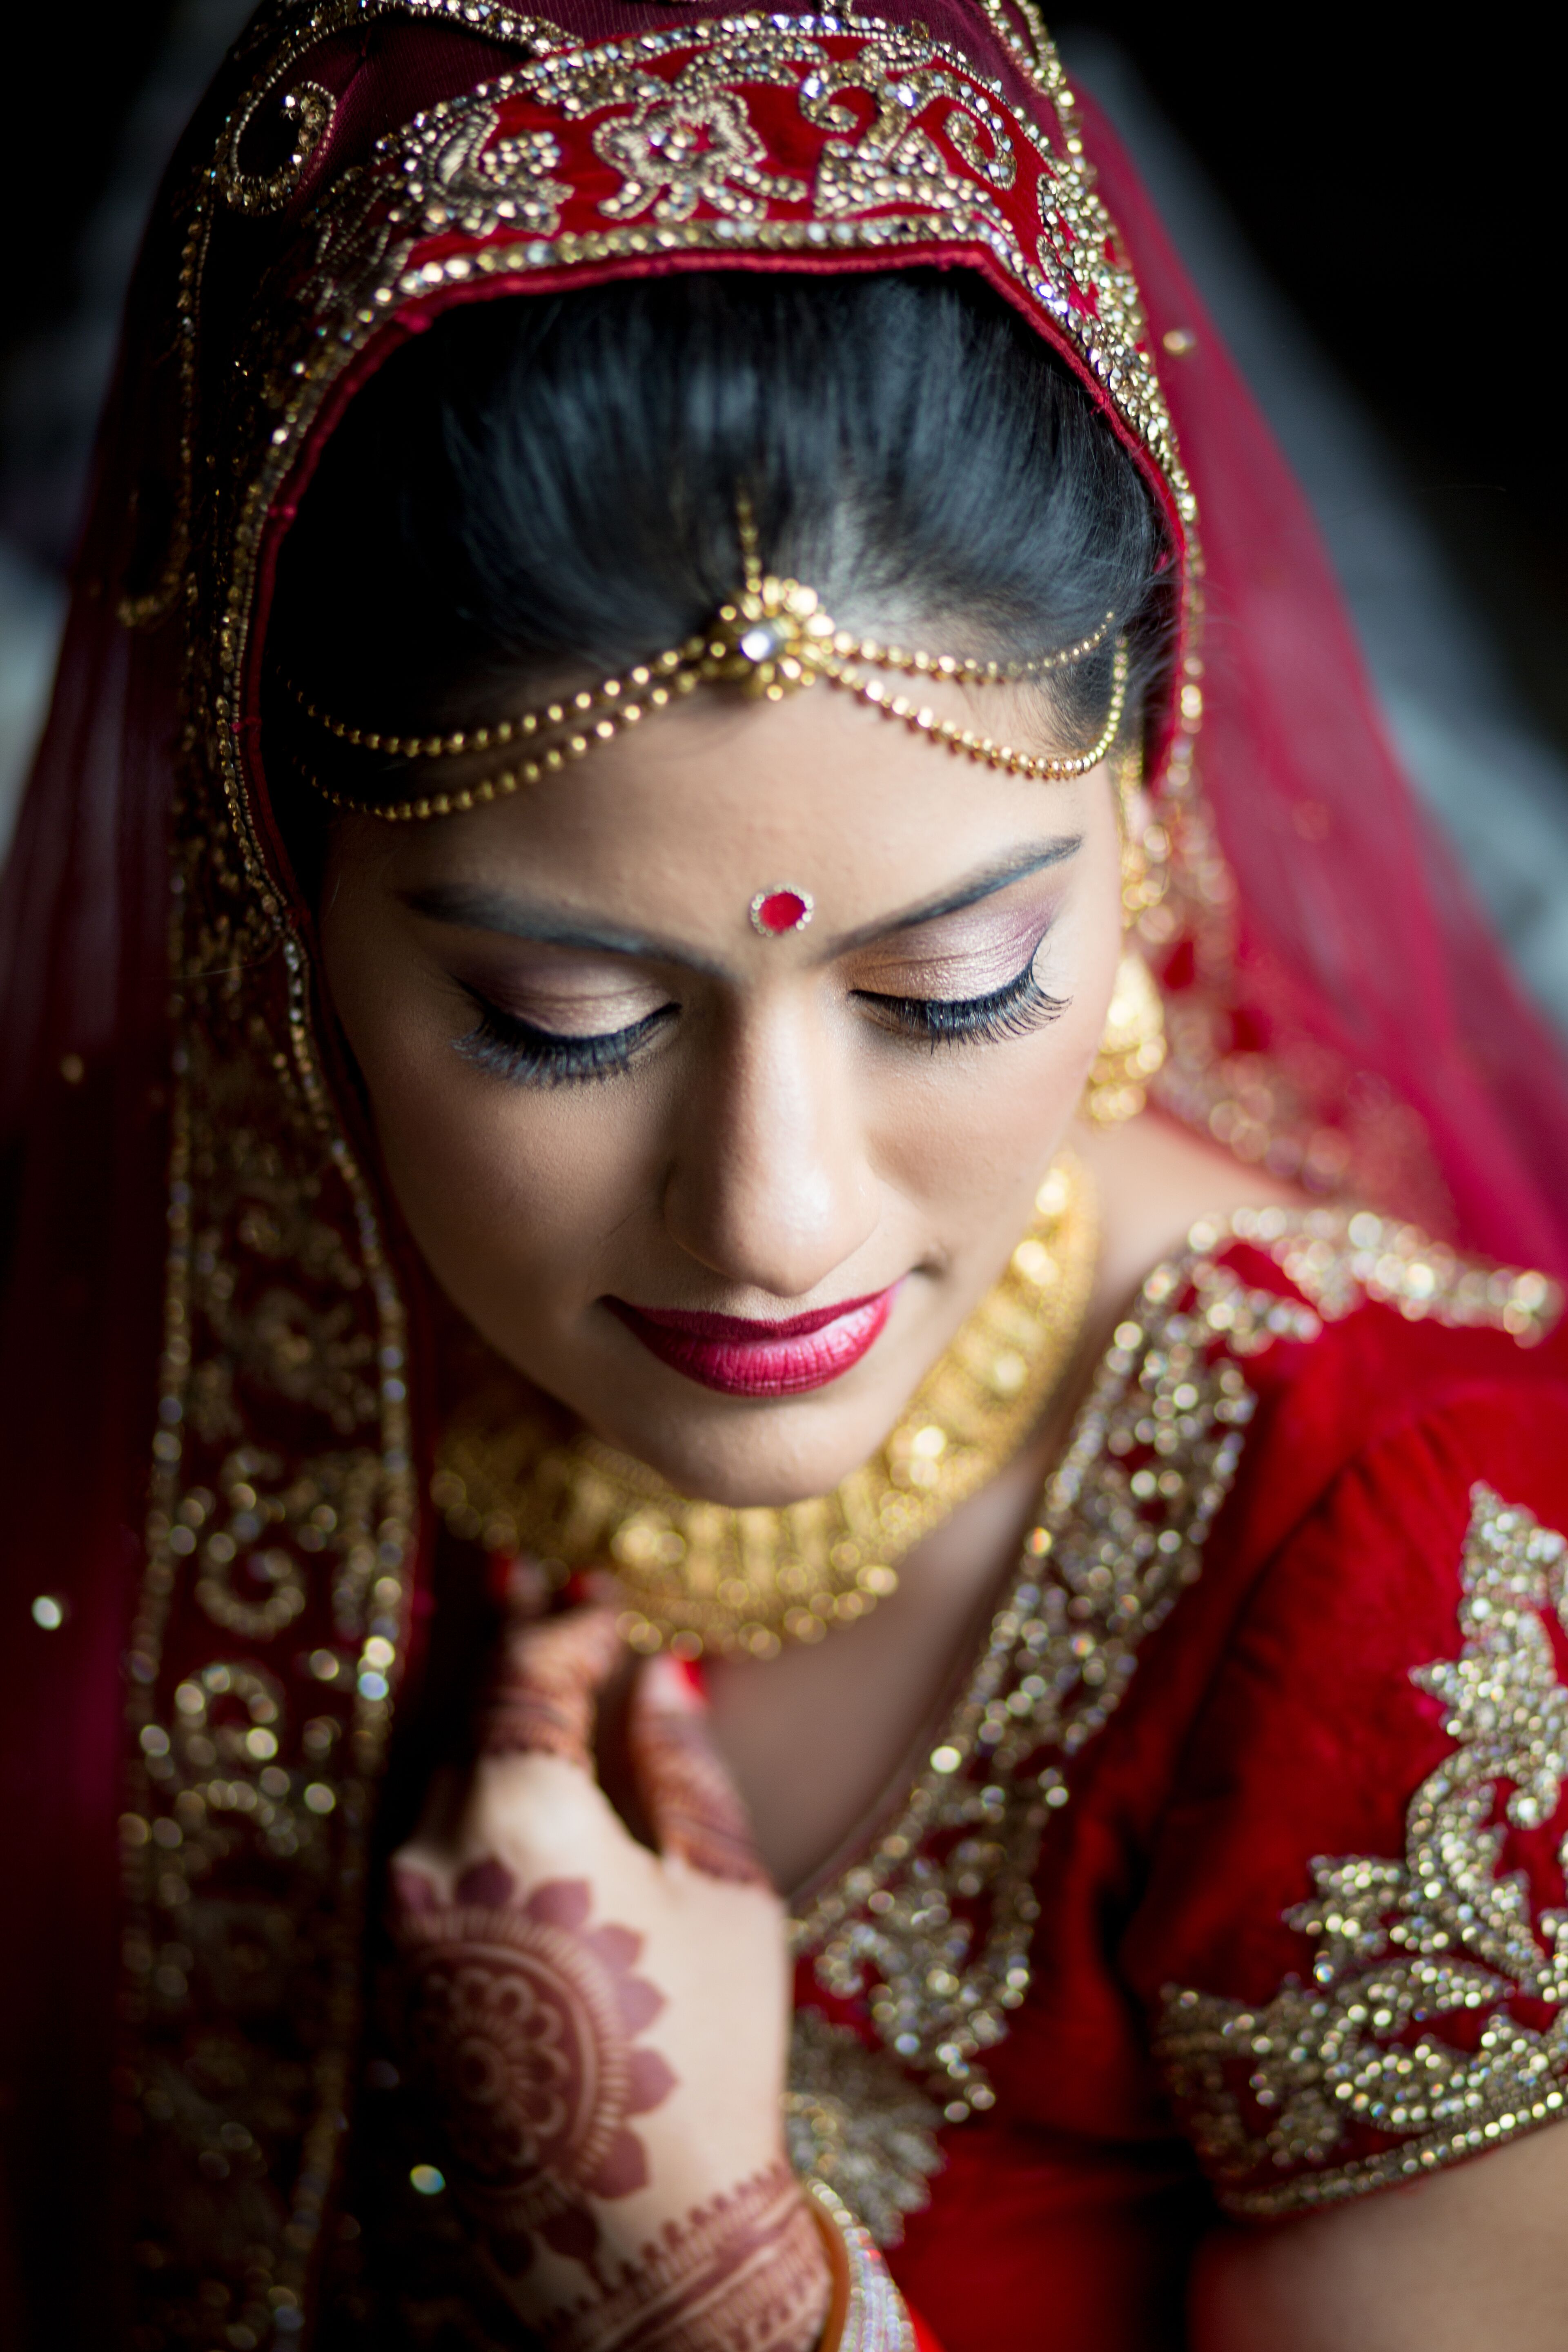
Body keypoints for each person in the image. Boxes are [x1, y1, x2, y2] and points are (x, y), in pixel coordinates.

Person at [5, 3, 1568, 2346]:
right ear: (278, 907)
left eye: (950, 987)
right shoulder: (162, 1287)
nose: (775, 1216)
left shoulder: (1419, 1595)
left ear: (1146, 834)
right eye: (564, 1025)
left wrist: (706, 2294)